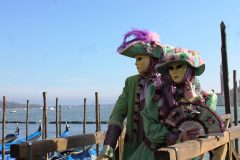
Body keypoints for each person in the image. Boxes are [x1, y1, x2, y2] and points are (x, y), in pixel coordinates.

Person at [127, 45, 218, 160]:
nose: (174, 72)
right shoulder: (155, 91)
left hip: (188, 154)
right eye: (171, 68)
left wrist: (194, 99)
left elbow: (206, 127)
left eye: (179, 66)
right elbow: (150, 129)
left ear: (191, 68)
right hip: (155, 155)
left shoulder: (207, 97)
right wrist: (178, 135)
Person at [99, 29, 163, 160]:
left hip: (159, 151)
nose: (135, 62)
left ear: (152, 58)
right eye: (135, 59)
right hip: (132, 151)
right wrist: (107, 149)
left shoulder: (167, 82)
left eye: (139, 58)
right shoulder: (131, 82)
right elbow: (117, 115)